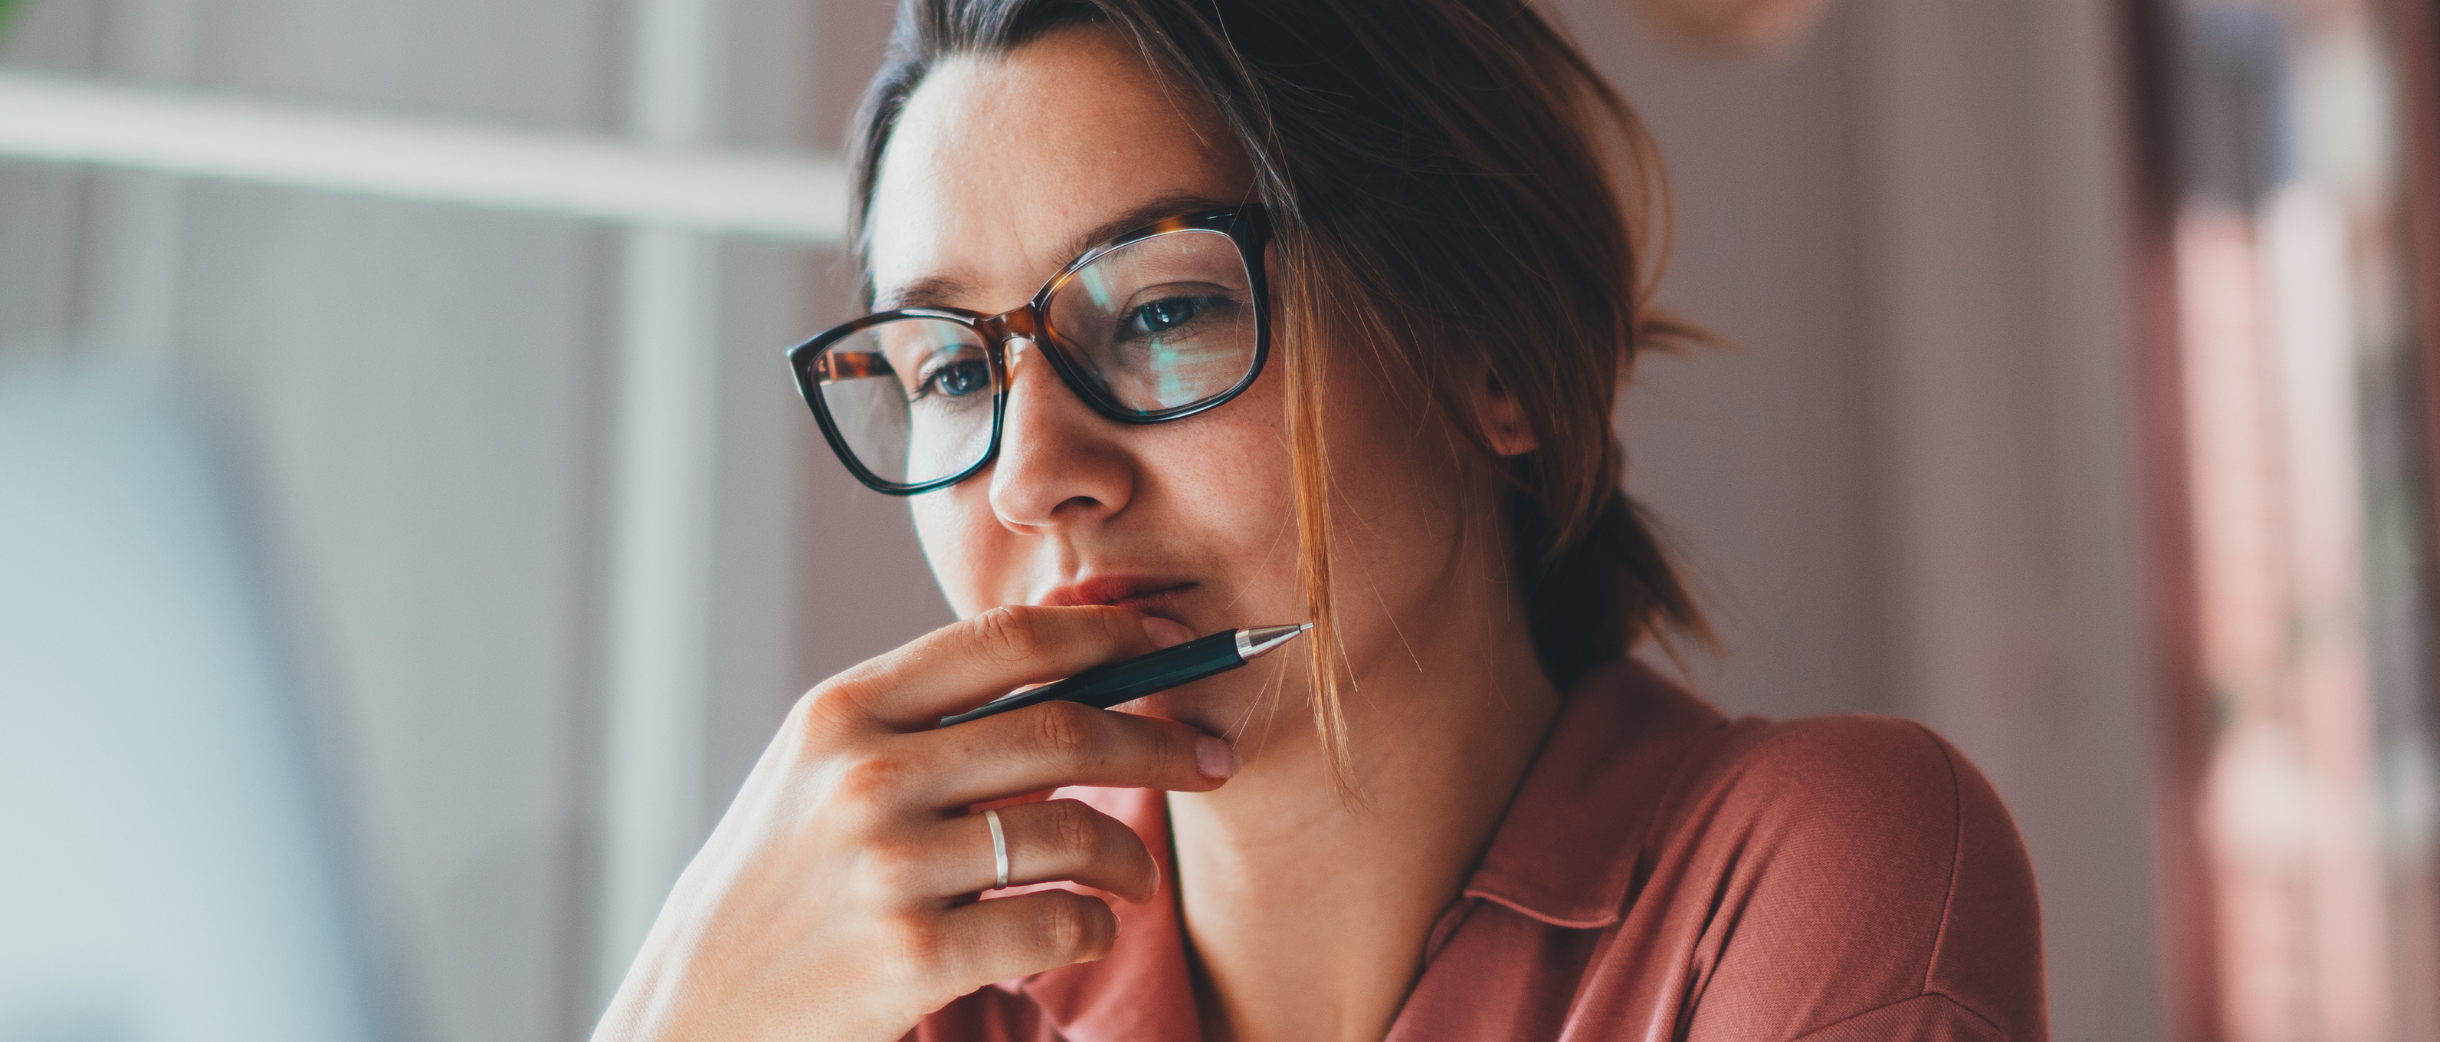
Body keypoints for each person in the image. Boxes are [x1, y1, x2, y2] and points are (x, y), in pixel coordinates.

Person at [595, 0, 2044, 1038]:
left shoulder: (1810, 873)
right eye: (954, 371)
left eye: (1163, 309)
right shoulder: (923, 981)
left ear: (1490, 350)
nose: (1032, 474)